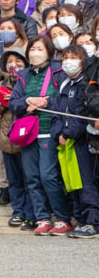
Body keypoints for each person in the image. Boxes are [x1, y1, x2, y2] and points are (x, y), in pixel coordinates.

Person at [9, 35, 73, 235]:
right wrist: (28, 101)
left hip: (49, 132)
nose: (35, 53)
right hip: (28, 134)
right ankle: (42, 218)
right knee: (32, 177)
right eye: (32, 49)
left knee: (48, 176)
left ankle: (62, 218)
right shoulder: (24, 75)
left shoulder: (59, 71)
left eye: (40, 49)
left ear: (49, 51)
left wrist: (46, 103)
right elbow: (13, 103)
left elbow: (64, 102)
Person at [49, 45, 99, 238]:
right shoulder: (63, 84)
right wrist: (58, 133)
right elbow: (55, 112)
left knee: (87, 182)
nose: (69, 61)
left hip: (80, 140)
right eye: (65, 57)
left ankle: (92, 222)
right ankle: (80, 218)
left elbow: (81, 114)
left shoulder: (85, 83)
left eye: (74, 57)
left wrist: (68, 133)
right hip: (65, 142)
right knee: (72, 183)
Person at [0, 48, 34, 226]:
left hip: (27, 138)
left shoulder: (31, 82)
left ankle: (31, 214)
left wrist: (17, 100)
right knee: (13, 180)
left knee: (30, 179)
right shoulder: (1, 85)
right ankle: (18, 211)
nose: (14, 64)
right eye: (9, 62)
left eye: (18, 60)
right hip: (7, 140)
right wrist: (1, 102)